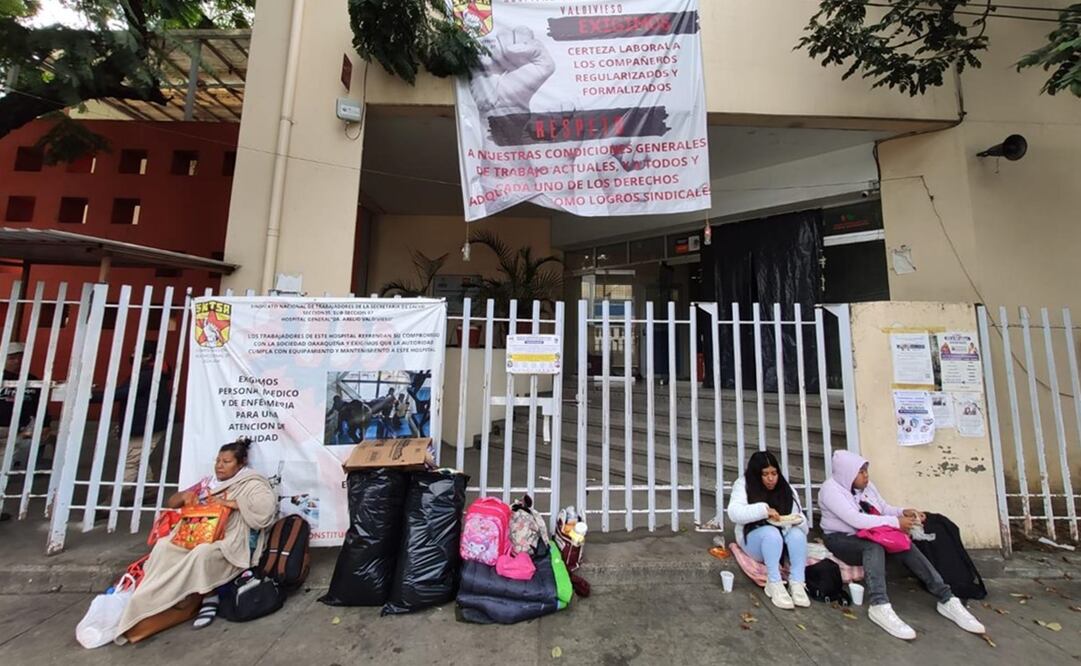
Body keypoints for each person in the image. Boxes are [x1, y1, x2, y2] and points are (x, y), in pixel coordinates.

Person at [114, 438, 276, 639]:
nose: (219, 466)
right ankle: (148, 595)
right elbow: (172, 502)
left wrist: (229, 503)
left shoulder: (252, 483)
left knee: (202, 553)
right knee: (164, 546)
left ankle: (207, 596)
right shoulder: (208, 484)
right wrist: (184, 496)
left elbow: (265, 511)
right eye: (217, 461)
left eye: (226, 462)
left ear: (241, 463)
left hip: (229, 539)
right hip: (197, 535)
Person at [818, 450, 985, 640]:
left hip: (873, 532)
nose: (866, 476)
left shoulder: (867, 487)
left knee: (903, 542)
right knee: (873, 547)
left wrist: (904, 512)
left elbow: (884, 509)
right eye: (861, 472)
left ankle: (947, 598)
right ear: (847, 473)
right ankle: (879, 604)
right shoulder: (831, 490)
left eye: (866, 471)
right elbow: (855, 519)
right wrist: (896, 522)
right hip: (841, 538)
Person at [727, 451, 810, 609]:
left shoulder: (786, 489)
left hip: (783, 541)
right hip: (754, 537)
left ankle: (797, 581)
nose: (771, 479)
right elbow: (734, 513)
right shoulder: (744, 484)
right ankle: (774, 582)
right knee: (771, 534)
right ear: (757, 475)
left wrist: (798, 520)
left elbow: (803, 526)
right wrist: (763, 511)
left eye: (774, 473)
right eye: (765, 474)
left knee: (797, 535)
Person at [93, 341, 172, 502]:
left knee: (130, 459)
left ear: (148, 356)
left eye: (136, 352)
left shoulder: (148, 374)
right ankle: (149, 490)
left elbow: (124, 393)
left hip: (145, 425)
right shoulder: (150, 372)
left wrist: (92, 395)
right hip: (144, 423)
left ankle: (115, 498)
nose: (132, 355)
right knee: (139, 456)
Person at [1, 342, 51, 521]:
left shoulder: (31, 380)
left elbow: (41, 405)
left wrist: (45, 423)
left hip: (17, 432)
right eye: (11, 358)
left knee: (4, 470)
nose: (16, 362)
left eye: (19, 358)